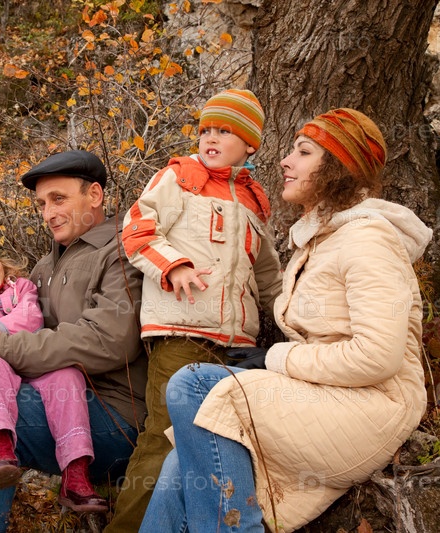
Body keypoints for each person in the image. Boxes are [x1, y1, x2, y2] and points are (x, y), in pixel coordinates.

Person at [139, 108, 433, 532]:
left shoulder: (368, 239)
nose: (285, 161)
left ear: (338, 167)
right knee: (180, 458)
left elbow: (377, 357)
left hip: (374, 407)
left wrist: (274, 358)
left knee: (196, 385)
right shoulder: (322, 241)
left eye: (304, 152)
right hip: (328, 397)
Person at [0, 150, 148, 532]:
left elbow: (111, 341)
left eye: (58, 199)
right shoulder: (46, 266)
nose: (48, 213)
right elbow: (0, 311)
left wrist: (0, 344)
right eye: (42, 203)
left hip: (112, 414)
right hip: (56, 395)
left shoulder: (120, 252)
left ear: (94, 195)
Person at [108, 88, 282, 531]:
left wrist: (290, 316)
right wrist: (174, 265)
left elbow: (266, 273)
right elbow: (138, 229)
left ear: (249, 145)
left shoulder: (255, 199)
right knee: (164, 438)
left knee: (217, 444)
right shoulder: (179, 177)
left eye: (225, 131)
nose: (211, 138)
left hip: (237, 347)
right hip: (180, 333)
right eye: (205, 130)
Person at [0, 218, 107, 511]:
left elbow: (32, 319)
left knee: (67, 374)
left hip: (30, 363)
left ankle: (76, 473)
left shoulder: (20, 289)